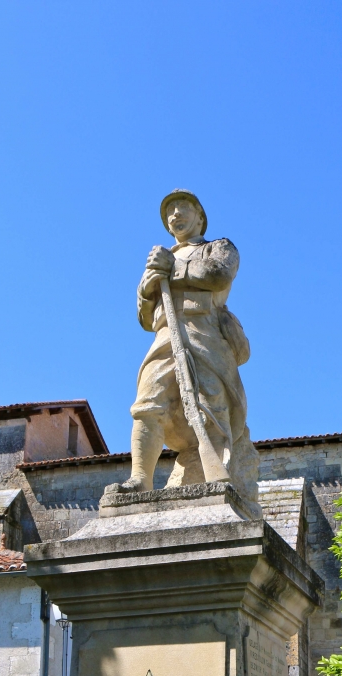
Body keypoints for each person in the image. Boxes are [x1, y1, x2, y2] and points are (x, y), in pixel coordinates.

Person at [114, 190, 257, 499]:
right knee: (148, 404)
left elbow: (219, 276)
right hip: (166, 334)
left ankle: (217, 474)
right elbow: (143, 317)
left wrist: (174, 270)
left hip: (204, 331)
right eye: (170, 211)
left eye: (182, 208)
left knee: (211, 404)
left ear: (200, 217)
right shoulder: (159, 259)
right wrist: (149, 285)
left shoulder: (218, 247)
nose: (175, 214)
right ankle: (140, 478)